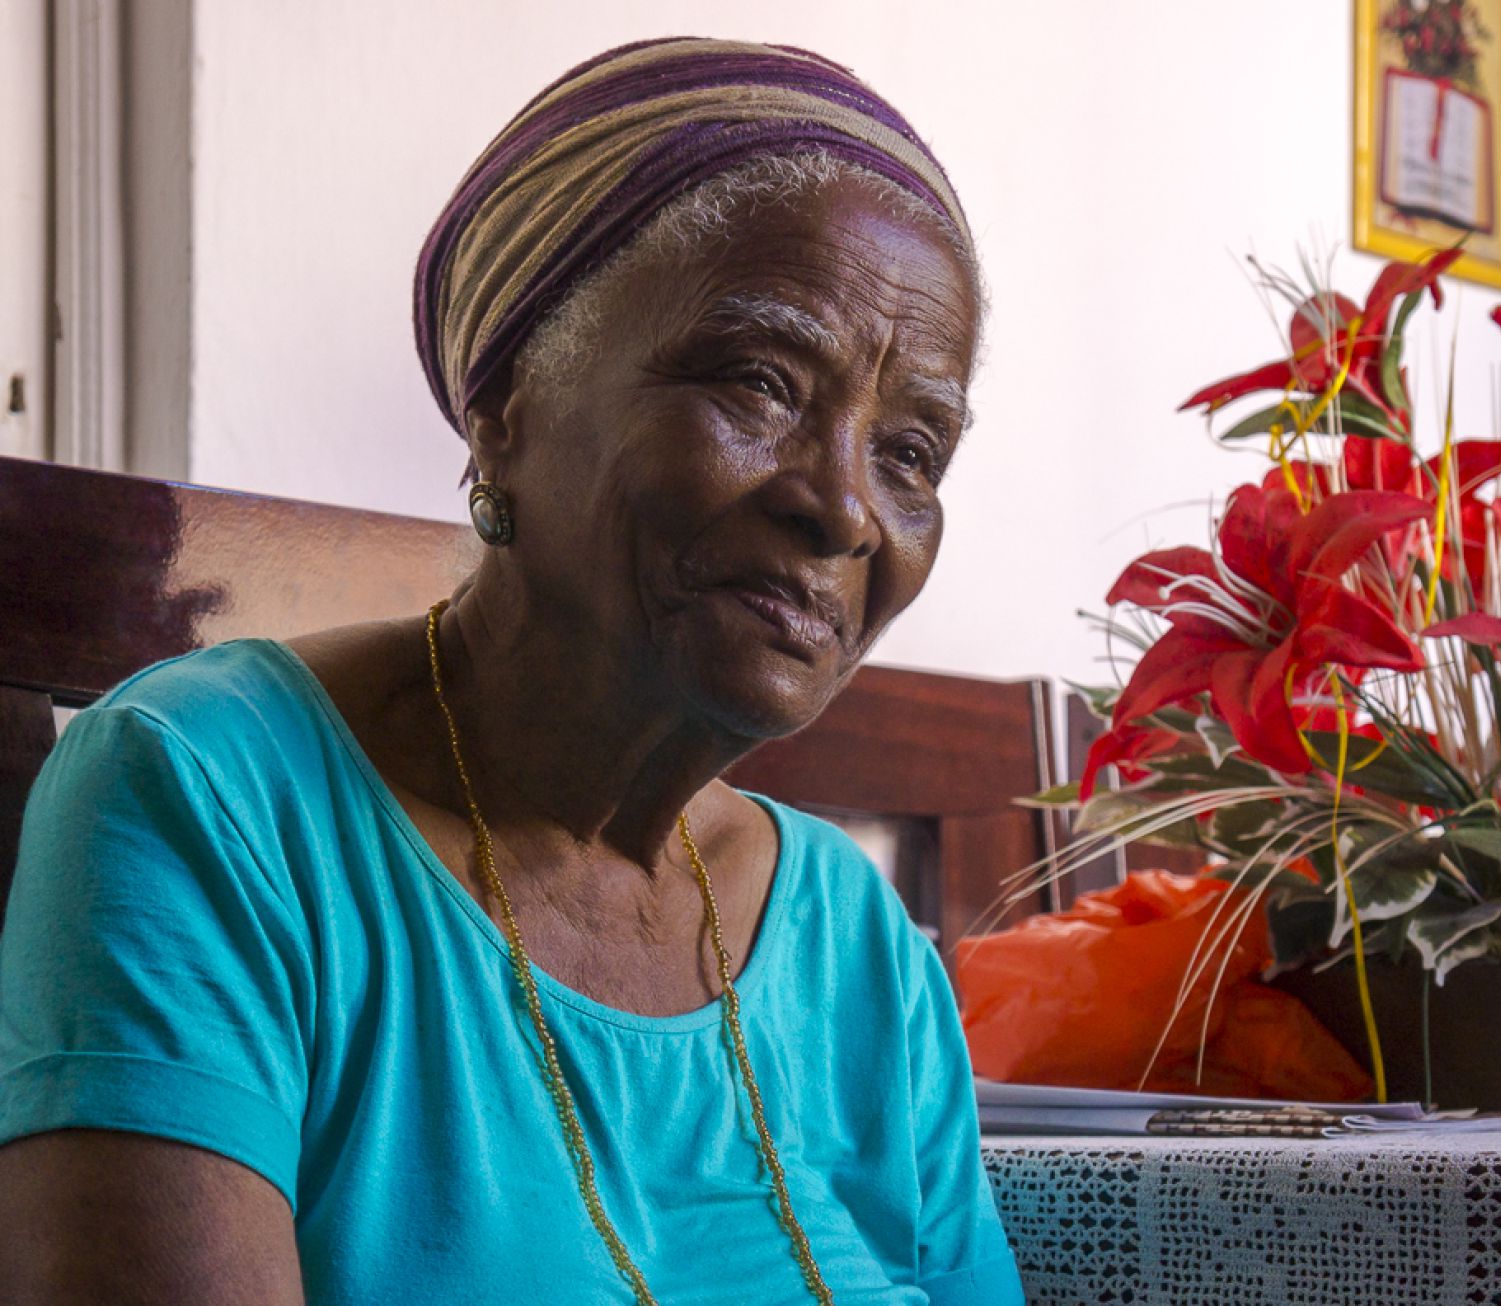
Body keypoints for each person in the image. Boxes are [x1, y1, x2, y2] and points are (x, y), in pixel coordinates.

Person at [0, 37, 1021, 1305]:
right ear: (506, 407)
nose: (846, 508)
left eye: (912, 452)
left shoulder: (858, 949)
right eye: (761, 381)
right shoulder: (211, 798)